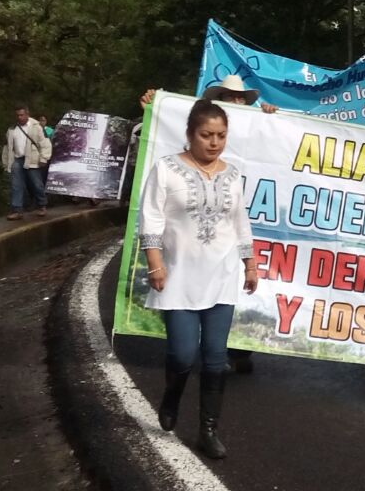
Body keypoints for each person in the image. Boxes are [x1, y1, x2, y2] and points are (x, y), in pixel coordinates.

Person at [140, 99, 258, 459]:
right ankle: (173, 393)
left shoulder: (233, 174)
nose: (214, 142)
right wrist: (155, 263)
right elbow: (151, 218)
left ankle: (208, 431)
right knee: (181, 353)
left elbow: (240, 223)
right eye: (206, 135)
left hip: (221, 274)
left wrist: (250, 264)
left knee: (214, 357)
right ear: (190, 134)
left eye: (221, 135)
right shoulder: (167, 169)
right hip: (178, 275)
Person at [2, 105, 52, 220]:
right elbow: (7, 147)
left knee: (36, 184)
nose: (20, 117)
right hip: (17, 159)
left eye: (22, 115)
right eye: (18, 115)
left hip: (33, 159)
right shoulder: (12, 129)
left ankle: (42, 205)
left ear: (27, 114)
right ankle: (17, 209)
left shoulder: (36, 127)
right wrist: (6, 163)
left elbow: (44, 143)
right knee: (16, 185)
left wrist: (44, 158)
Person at [141, 75, 279, 114]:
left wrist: (269, 117)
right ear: (218, 99)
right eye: (230, 96)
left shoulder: (254, 124)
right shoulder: (199, 119)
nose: (236, 101)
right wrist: (154, 107)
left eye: (241, 98)